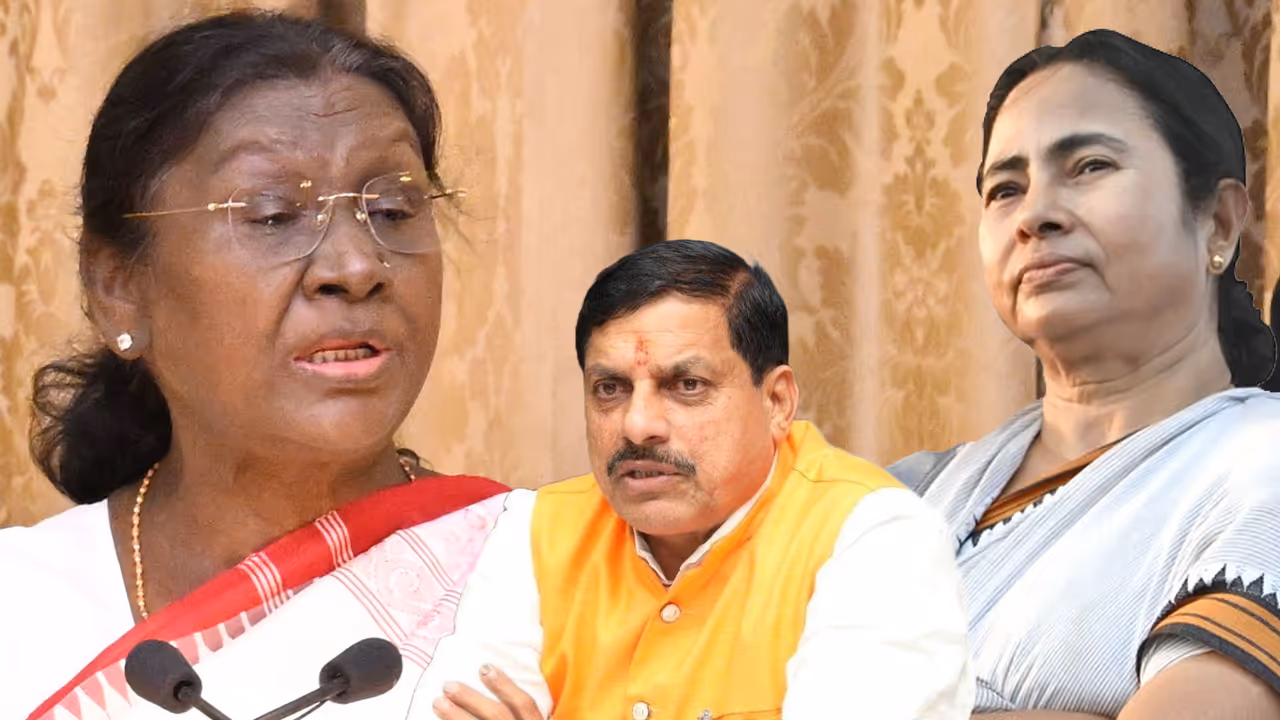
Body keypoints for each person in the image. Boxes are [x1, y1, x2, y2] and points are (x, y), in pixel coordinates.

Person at [0, 11, 512, 720]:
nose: (356, 267)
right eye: (273, 215)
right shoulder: (20, 609)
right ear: (118, 286)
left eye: (394, 210)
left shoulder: (541, 580)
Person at [409, 239, 975, 720]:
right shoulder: (536, 531)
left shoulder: (873, 537)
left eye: (687, 386)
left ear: (777, 402)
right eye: (610, 389)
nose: (638, 425)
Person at [888, 29, 1280, 720]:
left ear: (1219, 224)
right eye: (1005, 188)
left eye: (1090, 166)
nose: (1034, 216)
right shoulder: (906, 494)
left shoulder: (1259, 465)